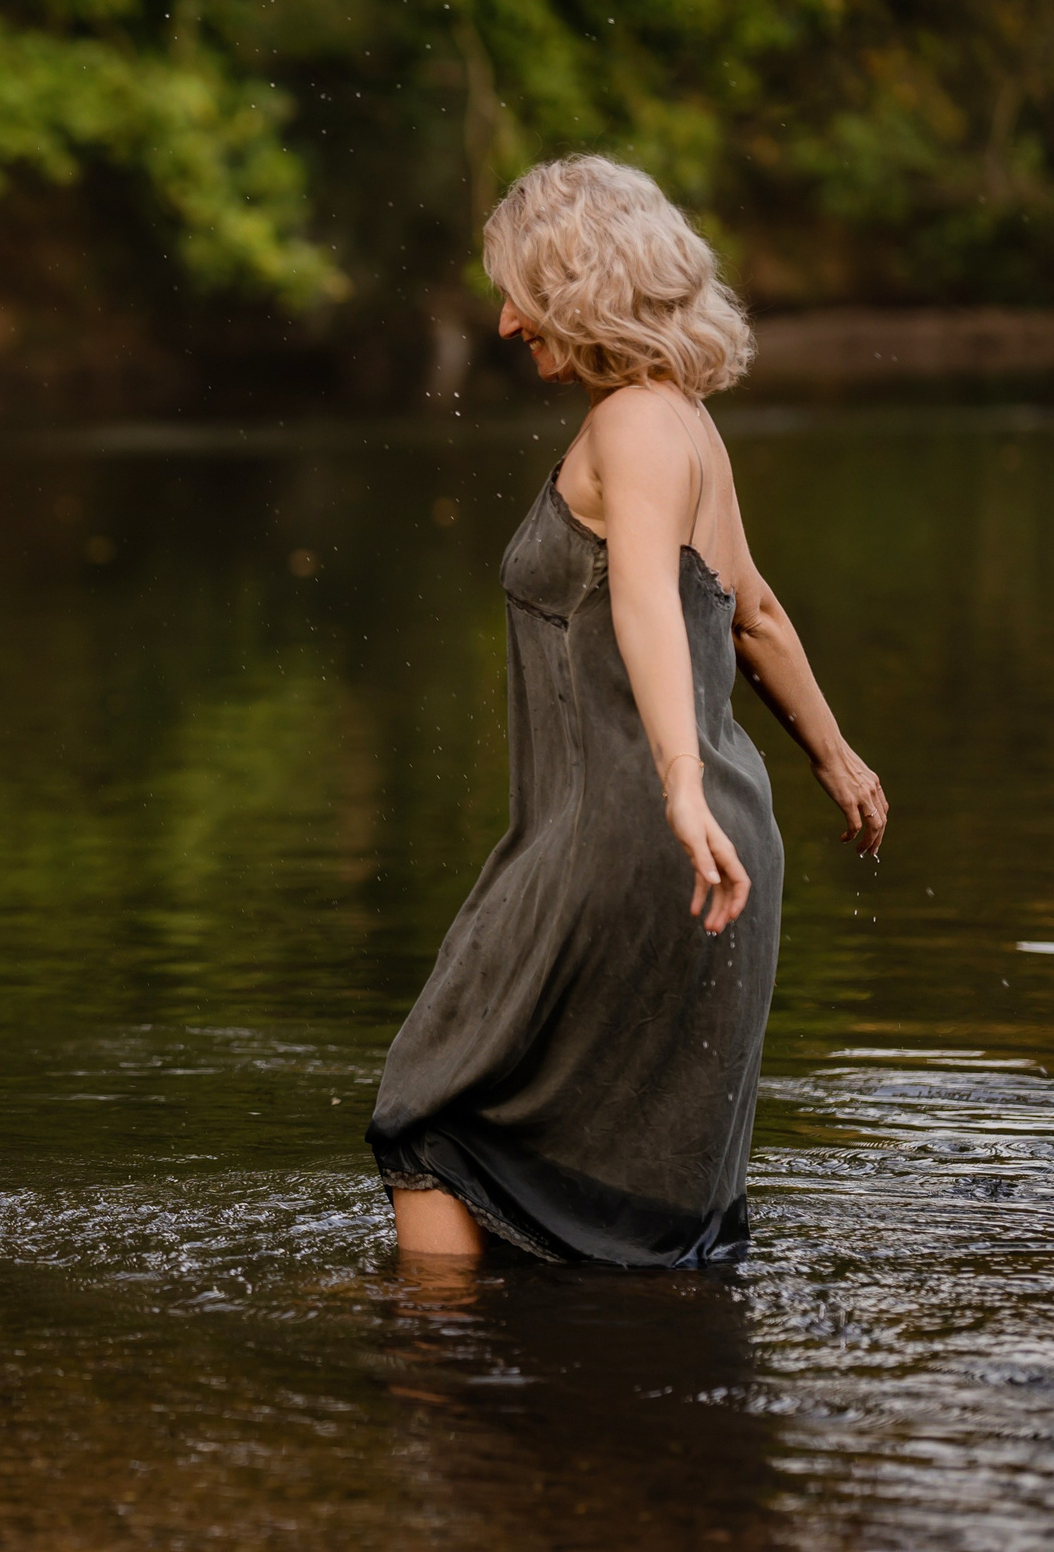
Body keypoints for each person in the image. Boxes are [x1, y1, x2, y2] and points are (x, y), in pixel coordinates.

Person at [367, 156, 889, 1266]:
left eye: (521, 292)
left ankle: (440, 1379)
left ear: (583, 289)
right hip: (708, 831)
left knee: (427, 1113)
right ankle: (626, 1393)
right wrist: (837, 760)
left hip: (635, 831)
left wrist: (675, 784)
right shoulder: (684, 422)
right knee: (642, 1178)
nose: (505, 323)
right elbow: (754, 613)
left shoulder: (633, 428)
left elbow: (651, 595)